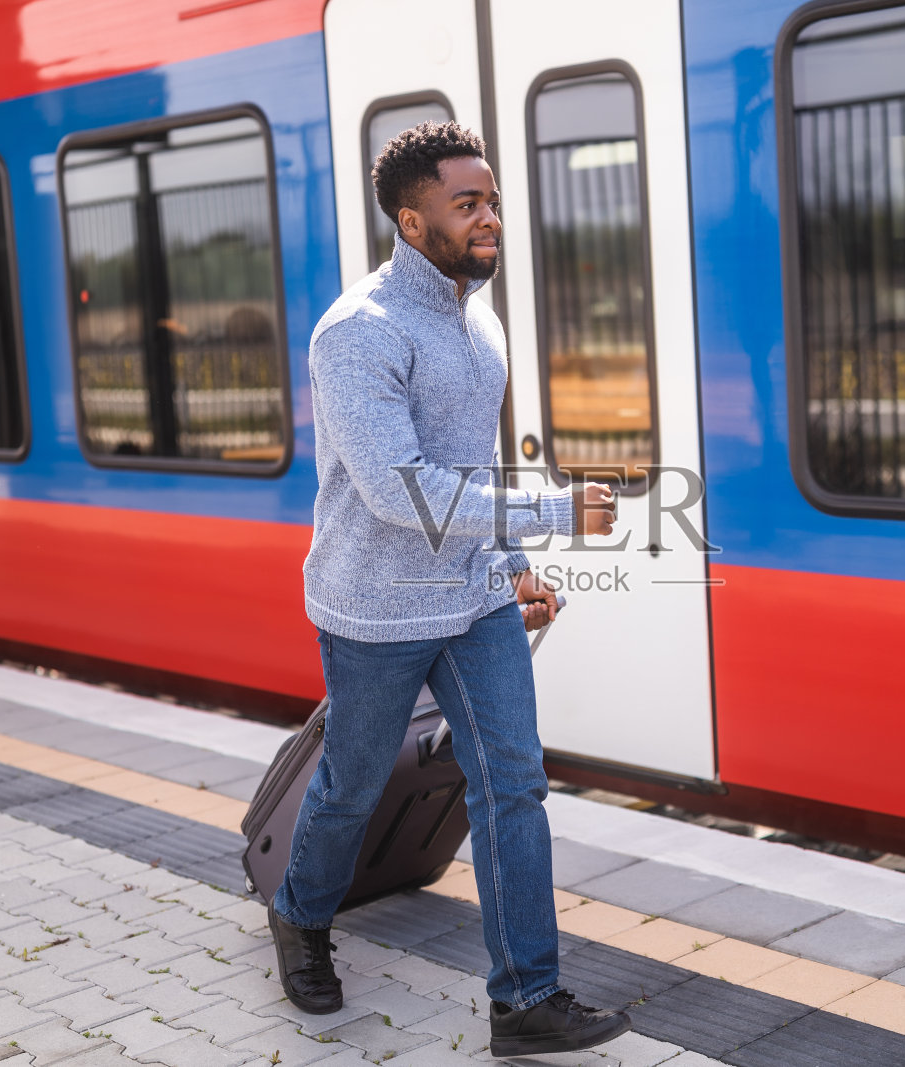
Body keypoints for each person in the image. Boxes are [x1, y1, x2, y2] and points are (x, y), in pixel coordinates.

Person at [268, 120, 632, 1058]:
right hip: (377, 610)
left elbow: (469, 466)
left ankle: (526, 997)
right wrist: (552, 513)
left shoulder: (477, 315)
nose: (489, 219)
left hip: (470, 601)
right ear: (411, 217)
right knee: (351, 784)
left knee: (514, 784)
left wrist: (511, 566)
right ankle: (300, 914)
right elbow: (400, 493)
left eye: (493, 201)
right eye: (467, 204)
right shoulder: (359, 333)